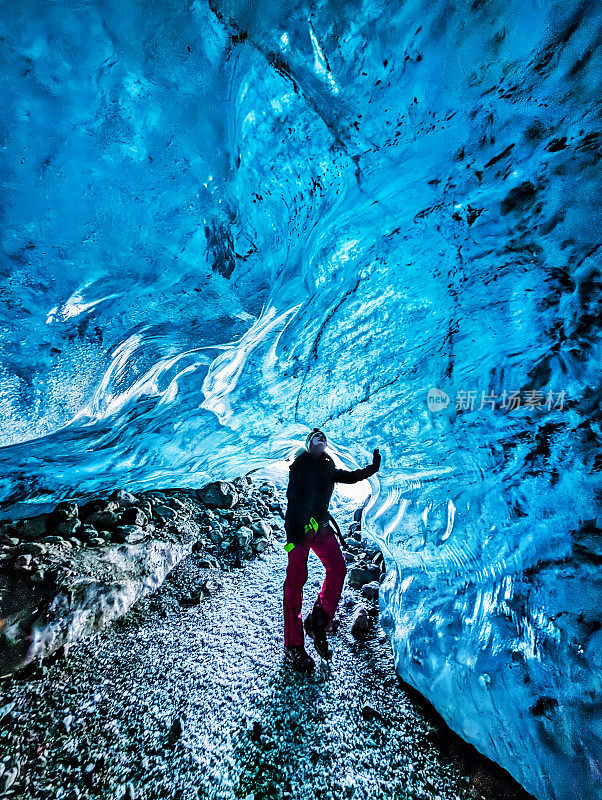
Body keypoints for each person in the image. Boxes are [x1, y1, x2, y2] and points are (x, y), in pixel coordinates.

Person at [283, 428, 381, 673]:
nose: (321, 438)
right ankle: (293, 645)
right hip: (299, 529)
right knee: (295, 581)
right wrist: (295, 533)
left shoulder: (328, 465)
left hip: (320, 526)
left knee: (338, 568)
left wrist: (373, 469)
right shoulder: (299, 466)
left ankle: (318, 621)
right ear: (308, 444)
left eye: (324, 437)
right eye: (316, 436)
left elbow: (350, 477)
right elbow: (293, 500)